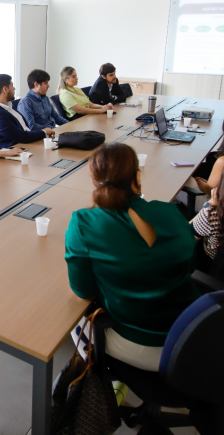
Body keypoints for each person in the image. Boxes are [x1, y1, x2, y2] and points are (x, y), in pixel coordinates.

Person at [65, 143, 201, 372]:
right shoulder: (171, 213)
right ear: (137, 177)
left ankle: (100, 378)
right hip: (191, 330)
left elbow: (83, 292)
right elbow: (189, 267)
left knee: (71, 319)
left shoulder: (83, 223)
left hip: (140, 344)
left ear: (93, 182)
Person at [0, 74, 53, 149]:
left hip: (29, 144)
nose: (14, 88)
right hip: (18, 150)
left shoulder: (9, 105)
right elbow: (22, 137)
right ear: (5, 89)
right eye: (12, 86)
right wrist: (44, 132)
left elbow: (25, 129)